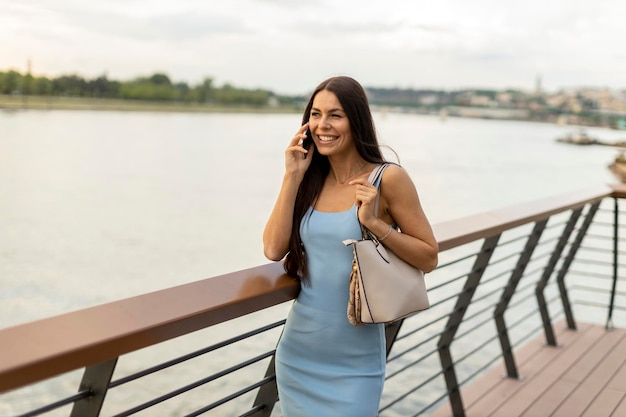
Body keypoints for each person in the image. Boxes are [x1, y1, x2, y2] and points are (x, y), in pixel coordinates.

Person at [263, 76, 439, 417]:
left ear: (356, 120)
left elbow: (428, 256)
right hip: (299, 353)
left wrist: (373, 223)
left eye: (335, 115)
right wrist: (291, 176)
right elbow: (273, 249)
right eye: (315, 114)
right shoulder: (308, 179)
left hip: (356, 360)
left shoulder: (388, 178)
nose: (322, 125)